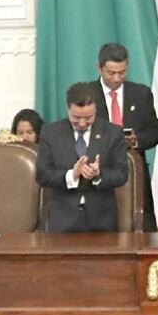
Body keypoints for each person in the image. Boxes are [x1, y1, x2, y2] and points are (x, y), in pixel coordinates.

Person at [36, 82, 128, 232]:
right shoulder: (51, 133)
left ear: (95, 109)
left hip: (102, 221)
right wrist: (71, 175)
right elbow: (42, 175)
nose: (82, 123)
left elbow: (121, 174)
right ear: (68, 109)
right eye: (76, 117)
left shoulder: (112, 133)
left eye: (88, 117)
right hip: (63, 221)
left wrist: (98, 175)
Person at [90, 42, 158, 231]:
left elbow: (156, 131)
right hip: (98, 175)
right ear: (99, 68)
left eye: (121, 73)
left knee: (142, 232)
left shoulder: (141, 94)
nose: (116, 78)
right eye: (111, 73)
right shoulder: (86, 95)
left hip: (135, 175)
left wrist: (136, 141)